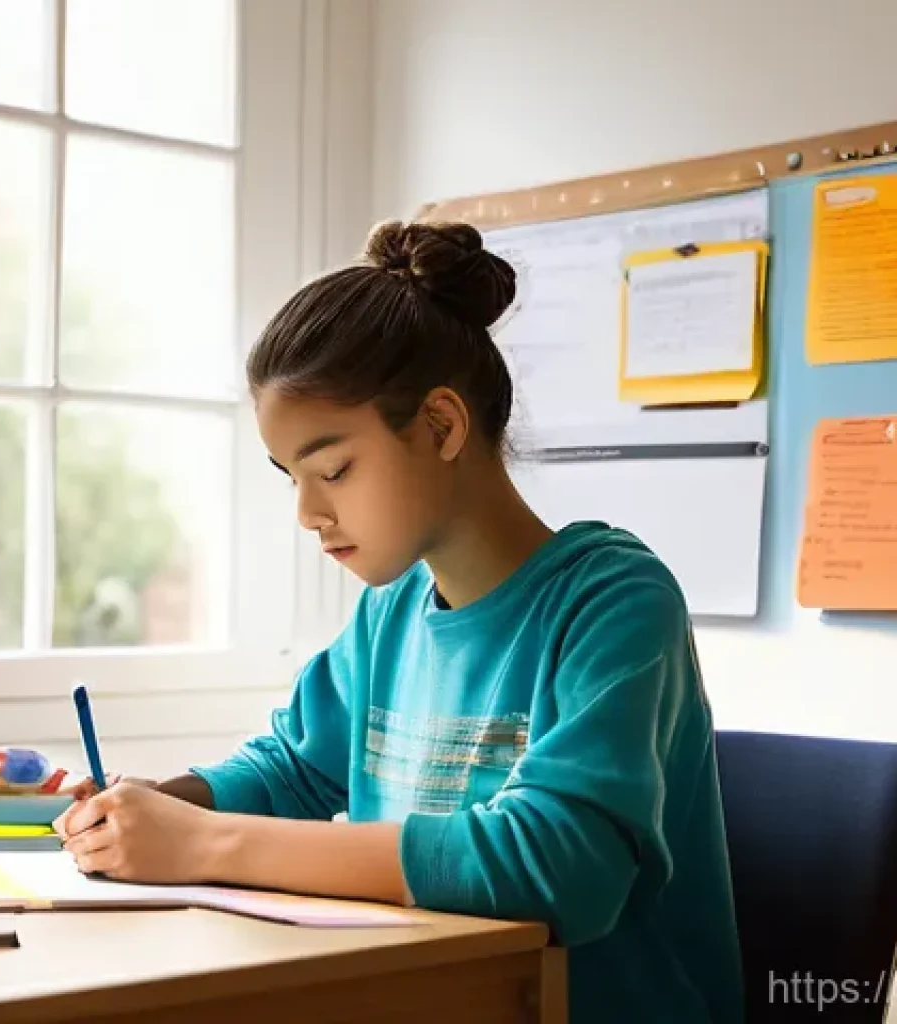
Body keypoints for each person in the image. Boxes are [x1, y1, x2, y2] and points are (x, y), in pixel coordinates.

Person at [55, 220, 744, 1023]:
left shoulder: (614, 603)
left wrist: (204, 844)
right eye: (293, 480)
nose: (310, 513)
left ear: (443, 427)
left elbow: (559, 868)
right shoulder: (392, 611)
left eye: (334, 469)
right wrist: (171, 804)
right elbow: (297, 770)